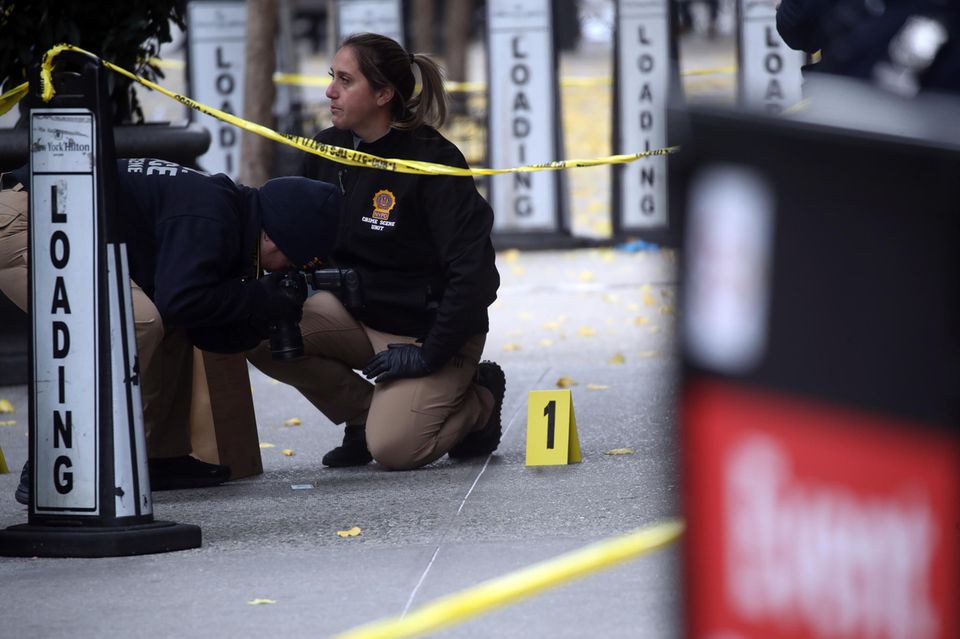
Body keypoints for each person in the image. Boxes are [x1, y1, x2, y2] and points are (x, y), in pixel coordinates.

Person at [0, 158, 341, 503]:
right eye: (293, 262)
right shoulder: (212, 216)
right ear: (273, 237)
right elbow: (182, 300)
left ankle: (160, 457)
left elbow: (199, 326)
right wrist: (256, 297)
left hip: (55, 217)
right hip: (28, 222)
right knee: (137, 320)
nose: (287, 271)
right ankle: (59, 459)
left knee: (167, 322)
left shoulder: (229, 215)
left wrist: (260, 316)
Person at [247, 33, 505, 470]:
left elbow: (476, 276)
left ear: (384, 94)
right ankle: (362, 415)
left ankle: (478, 400)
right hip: (358, 318)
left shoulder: (433, 163)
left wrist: (429, 353)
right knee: (253, 327)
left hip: (431, 332)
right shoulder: (326, 149)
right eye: (333, 77)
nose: (330, 91)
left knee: (396, 450)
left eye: (345, 81)